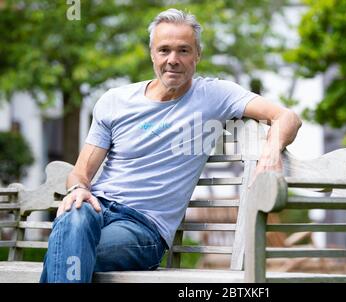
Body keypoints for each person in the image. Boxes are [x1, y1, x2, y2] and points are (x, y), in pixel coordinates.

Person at [39, 8, 301, 283]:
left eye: (183, 51)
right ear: (152, 53)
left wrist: (270, 154)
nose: (173, 60)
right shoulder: (115, 101)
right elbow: (80, 173)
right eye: (164, 50)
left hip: (142, 229)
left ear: (197, 55)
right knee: (73, 218)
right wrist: (78, 188)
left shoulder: (215, 95)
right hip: (94, 209)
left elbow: (287, 117)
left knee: (67, 249)